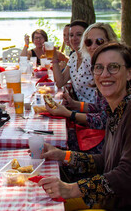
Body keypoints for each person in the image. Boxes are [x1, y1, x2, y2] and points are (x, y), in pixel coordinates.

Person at [38, 42, 131, 210]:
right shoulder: (116, 108)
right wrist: (62, 155)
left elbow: (128, 176)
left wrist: (72, 189)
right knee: (41, 201)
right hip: (112, 201)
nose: (104, 74)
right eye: (98, 68)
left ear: (130, 72)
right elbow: (104, 160)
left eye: (113, 67)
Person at [48, 23, 118, 152]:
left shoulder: (108, 71)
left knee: (58, 141)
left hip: (109, 137)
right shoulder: (81, 59)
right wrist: (74, 104)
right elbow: (99, 106)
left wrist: (69, 113)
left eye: (100, 41)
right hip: (93, 120)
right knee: (51, 136)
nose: (94, 46)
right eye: (89, 42)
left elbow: (104, 119)